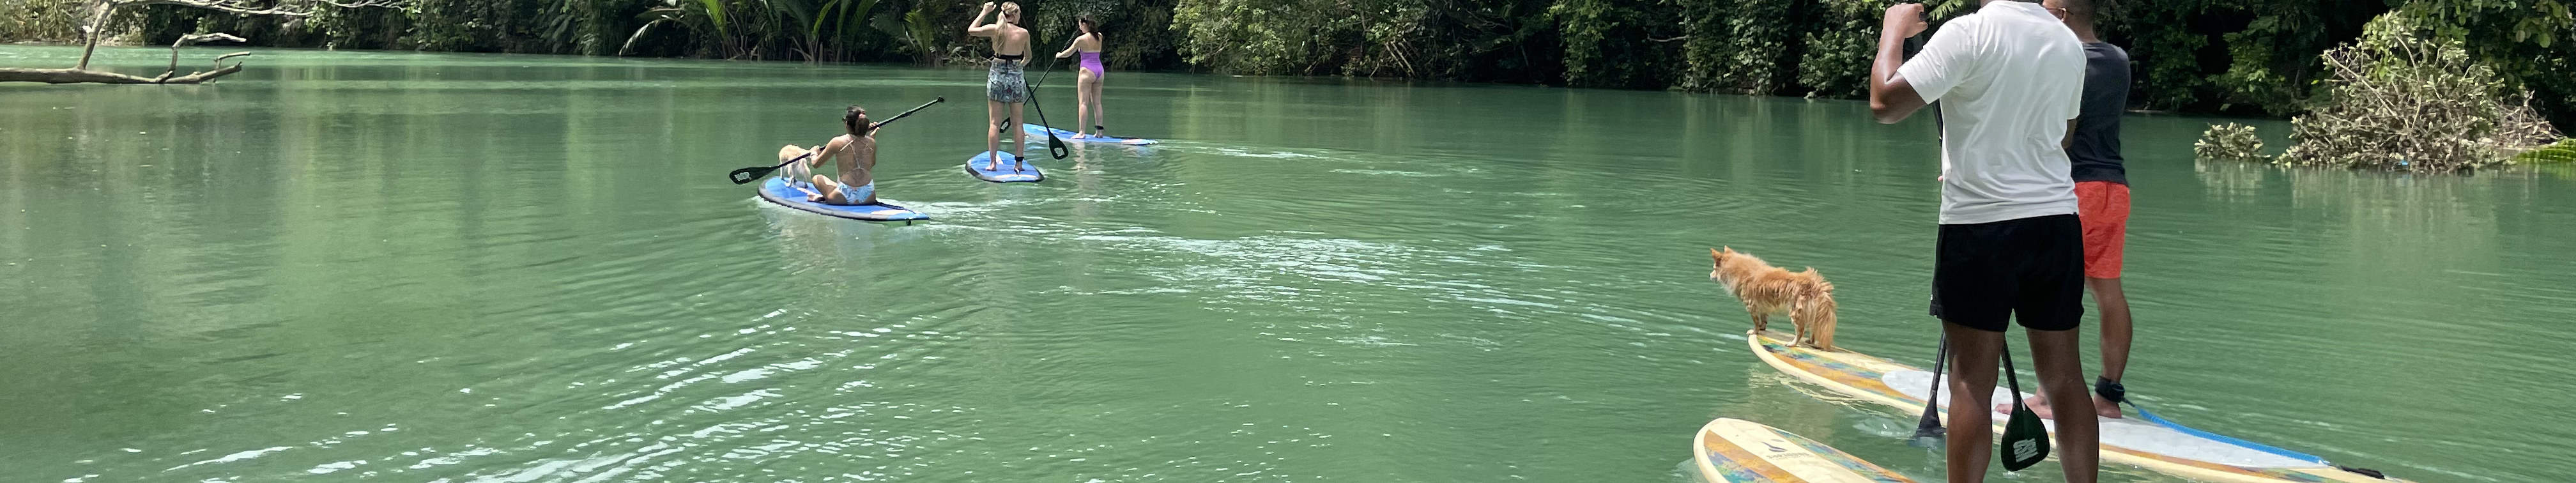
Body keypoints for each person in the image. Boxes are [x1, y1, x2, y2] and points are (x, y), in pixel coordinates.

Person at [1867, 1, 2096, 482]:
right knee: (2065, 378)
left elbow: (1885, 104)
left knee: (1971, 382)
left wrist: (1893, 31)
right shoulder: (2067, 43)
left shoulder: (1968, 33)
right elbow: (2064, 137)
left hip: (1979, 226)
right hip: (2056, 222)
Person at [2004, 0, 2134, 421]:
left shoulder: (2061, 60)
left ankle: (2048, 396)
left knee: (2052, 292)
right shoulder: (2118, 59)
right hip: (2114, 187)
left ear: (2061, 17)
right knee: (2107, 291)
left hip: (2072, 189)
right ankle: (2108, 398)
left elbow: (2047, 133)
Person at [968, 1, 1031, 171]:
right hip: (1016, 77)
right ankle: (1019, 164)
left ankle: (993, 163)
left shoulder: (995, 29)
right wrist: (1018, 68)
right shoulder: (1024, 33)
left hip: (997, 75)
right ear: (1015, 14)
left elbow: (972, 30)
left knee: (995, 123)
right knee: (1018, 124)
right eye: (1019, 14)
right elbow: (1028, 57)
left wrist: (984, 11)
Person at [780, 105, 879, 206]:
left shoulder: (837, 142)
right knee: (841, 184)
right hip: (869, 195)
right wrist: (871, 138)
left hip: (843, 197)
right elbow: (871, 164)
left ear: (847, 124)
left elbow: (816, 164)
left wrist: (814, 152)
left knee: (817, 178)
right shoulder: (872, 143)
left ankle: (825, 197)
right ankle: (827, 196)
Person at [1052, 15, 1108, 139]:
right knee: (1097, 103)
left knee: (1083, 103)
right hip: (1100, 70)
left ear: (1085, 24)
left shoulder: (1081, 39)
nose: (1079, 27)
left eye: (1080, 25)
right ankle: (1099, 132)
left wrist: (1059, 55)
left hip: (1087, 71)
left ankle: (1082, 133)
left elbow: (1069, 53)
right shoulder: (1100, 36)